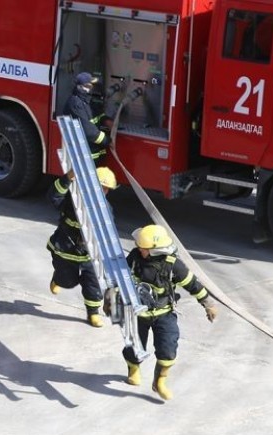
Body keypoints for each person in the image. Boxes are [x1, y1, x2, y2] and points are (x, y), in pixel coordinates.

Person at [122, 225, 218, 401]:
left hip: (164, 313)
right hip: (138, 314)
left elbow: (192, 284)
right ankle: (134, 369)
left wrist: (207, 303)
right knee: (134, 347)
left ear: (155, 251)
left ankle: (159, 382)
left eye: (143, 247)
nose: (138, 248)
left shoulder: (173, 265)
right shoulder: (135, 258)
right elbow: (120, 279)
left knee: (168, 350)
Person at [47, 166, 119, 328]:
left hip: (91, 254)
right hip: (67, 249)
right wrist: (67, 178)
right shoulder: (73, 199)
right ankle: (58, 279)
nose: (105, 192)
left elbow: (110, 230)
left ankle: (92, 313)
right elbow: (54, 196)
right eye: (102, 187)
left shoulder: (105, 207)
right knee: (67, 281)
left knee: (93, 285)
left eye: (107, 189)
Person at [63, 72, 110, 163]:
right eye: (89, 86)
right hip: (86, 158)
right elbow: (90, 132)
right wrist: (107, 140)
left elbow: (97, 115)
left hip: (94, 153)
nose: (92, 88)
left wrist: (106, 120)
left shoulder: (86, 101)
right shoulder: (75, 104)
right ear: (80, 87)